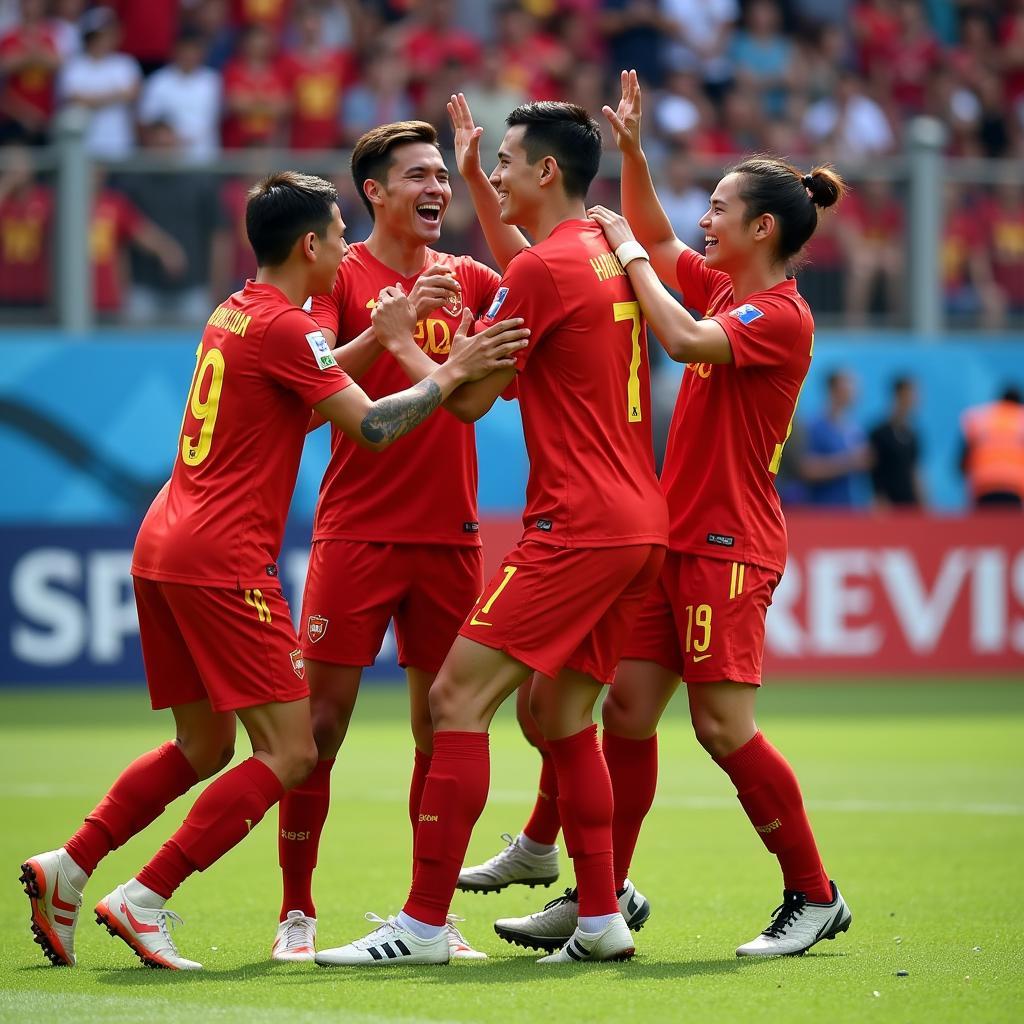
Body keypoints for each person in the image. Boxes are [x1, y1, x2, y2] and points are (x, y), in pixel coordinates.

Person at [19, 171, 527, 972]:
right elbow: (371, 425)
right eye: (335, 233)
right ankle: (146, 897)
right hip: (224, 557)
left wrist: (391, 337)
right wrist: (450, 371)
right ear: (311, 245)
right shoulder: (292, 327)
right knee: (294, 751)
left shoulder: (239, 311)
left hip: (164, 542)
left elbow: (311, 374)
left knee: (201, 743)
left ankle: (70, 868)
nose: (344, 251)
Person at [486, 69, 852, 960]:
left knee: (723, 727)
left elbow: (678, 333)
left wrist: (637, 258)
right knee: (625, 717)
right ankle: (601, 896)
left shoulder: (779, 315)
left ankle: (814, 894)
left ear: (762, 229)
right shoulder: (732, 289)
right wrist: (635, 156)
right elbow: (647, 228)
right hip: (671, 540)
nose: (704, 219)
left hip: (730, 546)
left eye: (720, 208)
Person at [314, 97, 668, 968]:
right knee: (561, 711)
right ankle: (599, 917)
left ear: (546, 171)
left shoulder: (541, 268)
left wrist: (402, 341)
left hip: (576, 523)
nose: (492, 175)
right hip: (639, 520)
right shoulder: (598, 254)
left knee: (455, 701)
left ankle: (425, 925)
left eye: (503, 161)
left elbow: (467, 399)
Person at [272, 119, 525, 964]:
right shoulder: (339, 275)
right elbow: (302, 403)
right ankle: (297, 913)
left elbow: (534, 288)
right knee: (319, 730)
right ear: (373, 192)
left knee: (441, 730)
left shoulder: (471, 277)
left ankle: (431, 916)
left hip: (451, 539)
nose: (436, 190)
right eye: (417, 175)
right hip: (356, 535)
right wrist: (389, 331)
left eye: (441, 177)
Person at [799, 369, 871, 507]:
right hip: (823, 511)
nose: (854, 390)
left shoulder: (854, 429)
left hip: (850, 511)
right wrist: (849, 462)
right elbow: (806, 469)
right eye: (848, 384)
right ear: (834, 389)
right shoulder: (814, 427)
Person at [960, 386, 1024, 510]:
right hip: (1014, 487)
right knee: (1009, 528)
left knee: (985, 528)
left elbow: (961, 464)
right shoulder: (1021, 419)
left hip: (983, 487)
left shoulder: (979, 420)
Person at [868, 376, 924, 507]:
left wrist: (924, 503)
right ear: (899, 395)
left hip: (910, 504)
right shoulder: (879, 433)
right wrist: (879, 498)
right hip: (887, 506)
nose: (915, 399)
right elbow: (872, 470)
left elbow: (915, 471)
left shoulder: (912, 434)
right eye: (911, 394)